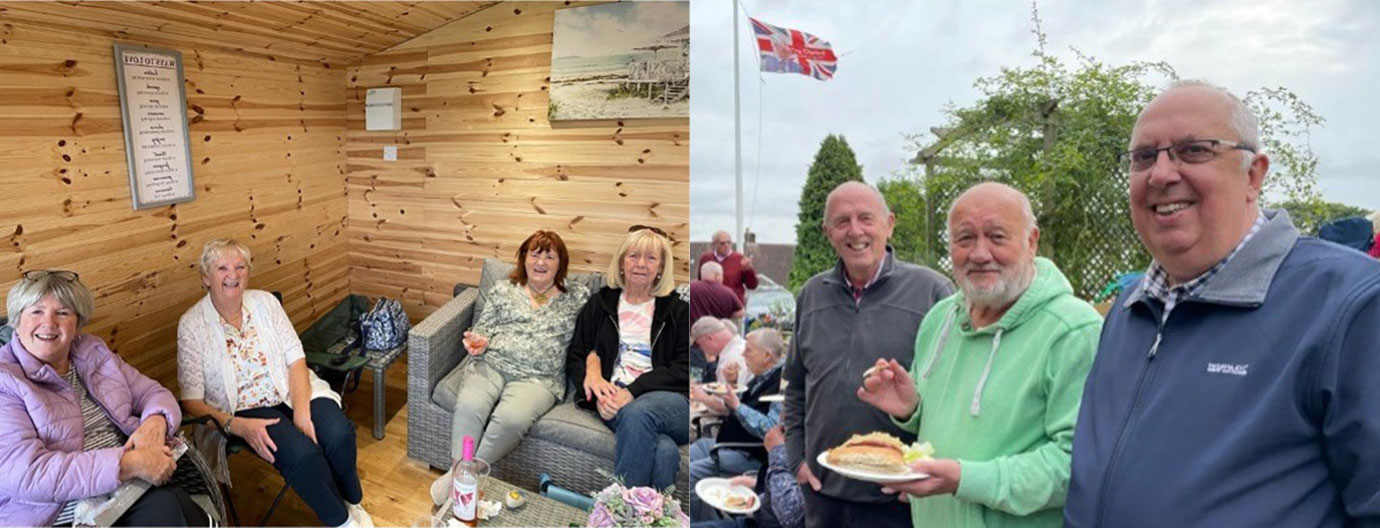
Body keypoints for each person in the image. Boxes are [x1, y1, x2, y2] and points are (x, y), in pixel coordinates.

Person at [1064, 81, 1380, 527]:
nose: (1161, 174)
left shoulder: (1350, 305)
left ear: (1253, 175)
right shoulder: (1129, 311)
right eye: (1143, 157)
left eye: (1194, 150)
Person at [858, 182, 1101, 527]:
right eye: (965, 239)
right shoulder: (939, 319)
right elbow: (959, 425)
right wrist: (912, 409)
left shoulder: (1073, 331)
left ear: (1031, 242)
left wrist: (964, 479)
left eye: (997, 236)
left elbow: (1077, 463)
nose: (979, 253)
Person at [784, 181, 953, 528]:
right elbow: (797, 386)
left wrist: (930, 474)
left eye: (866, 218)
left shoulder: (934, 293)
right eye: (842, 221)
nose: (855, 231)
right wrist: (796, 460)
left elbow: (954, 395)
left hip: (896, 498)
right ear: (827, 232)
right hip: (823, 495)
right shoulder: (812, 295)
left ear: (889, 223)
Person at [177, 239, 373, 528]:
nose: (233, 274)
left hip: (290, 387)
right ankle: (343, 522)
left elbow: (295, 358)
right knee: (303, 455)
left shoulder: (265, 303)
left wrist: (302, 411)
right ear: (205, 278)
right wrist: (234, 425)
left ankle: (351, 500)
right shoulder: (192, 325)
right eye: (222, 268)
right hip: (242, 409)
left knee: (338, 433)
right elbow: (191, 401)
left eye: (240, 266)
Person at [0, 270, 207, 527]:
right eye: (36, 311)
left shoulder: (93, 354)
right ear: (17, 322)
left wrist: (155, 422)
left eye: (62, 313)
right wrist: (127, 464)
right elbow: (27, 473)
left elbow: (154, 393)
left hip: (129, 489)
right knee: (169, 506)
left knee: (170, 504)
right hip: (57, 510)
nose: (49, 323)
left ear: (77, 324)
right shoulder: (6, 380)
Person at [427, 230, 591, 505]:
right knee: (469, 406)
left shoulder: (577, 296)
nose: (541, 262)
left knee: (510, 419)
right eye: (535, 254)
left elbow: (594, 333)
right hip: (492, 363)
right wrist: (478, 341)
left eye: (549, 256)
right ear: (523, 259)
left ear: (560, 263)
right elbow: (483, 328)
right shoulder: (504, 289)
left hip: (538, 379)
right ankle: (461, 475)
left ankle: (464, 478)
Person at [567, 226, 689, 489]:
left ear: (661, 268)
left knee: (638, 412)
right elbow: (577, 353)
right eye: (633, 256)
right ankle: (651, 516)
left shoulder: (679, 311)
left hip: (672, 402)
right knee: (664, 451)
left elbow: (686, 369)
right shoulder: (601, 304)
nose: (641, 264)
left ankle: (618, 512)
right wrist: (594, 385)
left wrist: (634, 390)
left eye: (650, 258)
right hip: (614, 397)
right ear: (622, 262)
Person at [689, 328, 787, 521]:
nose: (743, 354)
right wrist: (732, 384)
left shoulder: (782, 383)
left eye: (748, 350)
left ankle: (703, 522)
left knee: (690, 475)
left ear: (767, 355)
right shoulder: (763, 376)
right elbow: (743, 407)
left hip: (749, 453)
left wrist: (737, 405)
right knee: (690, 452)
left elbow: (771, 430)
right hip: (730, 443)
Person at [691, 422, 804, 528]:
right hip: (759, 516)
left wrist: (778, 452)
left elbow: (792, 513)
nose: (781, 415)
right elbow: (794, 489)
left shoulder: (815, 446)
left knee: (692, 473)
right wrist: (758, 486)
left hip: (749, 454)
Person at [699, 230, 758, 304]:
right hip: (710, 305)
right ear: (714, 244)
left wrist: (749, 269)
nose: (726, 245)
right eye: (722, 243)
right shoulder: (705, 259)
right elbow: (700, 282)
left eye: (729, 243)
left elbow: (752, 285)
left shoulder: (740, 259)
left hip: (733, 306)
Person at [691, 316, 750, 387]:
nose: (701, 349)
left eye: (700, 344)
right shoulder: (742, 345)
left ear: (709, 338)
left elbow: (723, 396)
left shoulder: (729, 360)